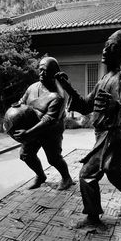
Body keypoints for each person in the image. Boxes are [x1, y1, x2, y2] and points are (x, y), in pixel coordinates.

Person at [56, 29, 121, 226]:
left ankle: (93, 217)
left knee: (87, 175)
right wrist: (67, 87)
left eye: (110, 48)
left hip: (112, 136)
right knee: (115, 176)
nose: (104, 51)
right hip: (105, 135)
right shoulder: (104, 79)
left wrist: (115, 105)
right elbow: (86, 105)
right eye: (105, 46)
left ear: (120, 54)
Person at [13, 56, 74, 190]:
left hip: (51, 131)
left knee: (54, 158)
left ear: (53, 72)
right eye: (40, 70)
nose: (41, 73)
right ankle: (40, 176)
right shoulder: (32, 88)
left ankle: (67, 178)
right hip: (32, 128)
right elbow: (22, 102)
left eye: (45, 70)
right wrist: (15, 109)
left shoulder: (58, 95)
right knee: (26, 155)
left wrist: (28, 133)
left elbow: (49, 120)